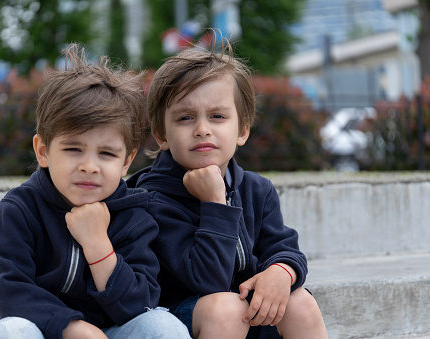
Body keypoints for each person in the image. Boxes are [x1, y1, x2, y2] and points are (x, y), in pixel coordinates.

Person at [0, 44, 190, 339]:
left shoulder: (135, 215)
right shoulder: (21, 209)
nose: (90, 166)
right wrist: (71, 327)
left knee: (163, 326)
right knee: (9, 332)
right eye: (73, 149)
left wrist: (97, 245)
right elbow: (11, 292)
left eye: (106, 154)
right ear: (43, 151)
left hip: (113, 331)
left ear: (126, 161)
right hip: (42, 328)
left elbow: (140, 302)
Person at [127, 37, 328, 339]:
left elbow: (284, 247)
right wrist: (215, 204)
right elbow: (208, 281)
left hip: (244, 310)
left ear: (242, 130)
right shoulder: (152, 200)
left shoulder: (256, 190)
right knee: (227, 310)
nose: (202, 129)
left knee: (300, 302)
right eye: (185, 118)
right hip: (185, 315)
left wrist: (281, 272)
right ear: (161, 134)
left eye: (217, 116)